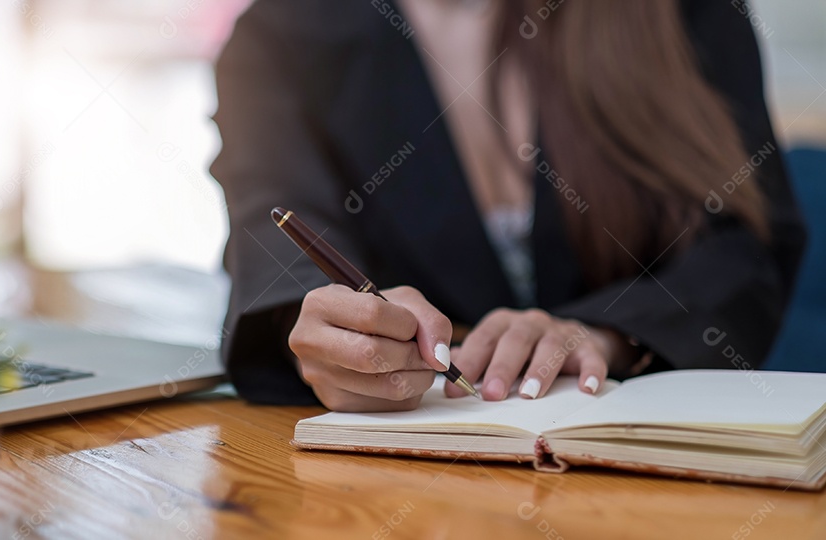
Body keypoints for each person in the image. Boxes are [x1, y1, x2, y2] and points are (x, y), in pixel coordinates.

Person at [210, 0, 806, 412]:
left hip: (644, 465)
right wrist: (328, 337)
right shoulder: (279, 37)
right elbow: (275, 230)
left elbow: (748, 245)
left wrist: (608, 333)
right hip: (410, 483)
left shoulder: (683, 11)